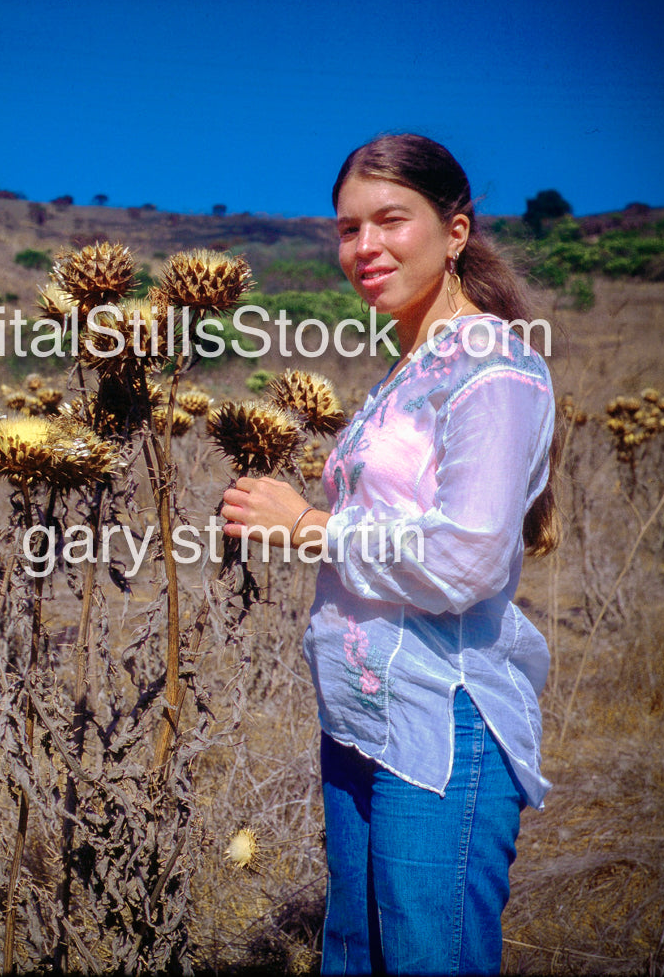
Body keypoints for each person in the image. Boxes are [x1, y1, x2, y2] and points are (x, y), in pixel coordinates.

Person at [220, 133, 559, 976]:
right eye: (346, 229)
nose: (364, 247)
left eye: (390, 221)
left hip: (442, 723)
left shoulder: (492, 369)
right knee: (355, 955)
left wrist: (310, 525)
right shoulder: (407, 368)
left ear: (454, 232)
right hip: (360, 718)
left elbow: (470, 558)